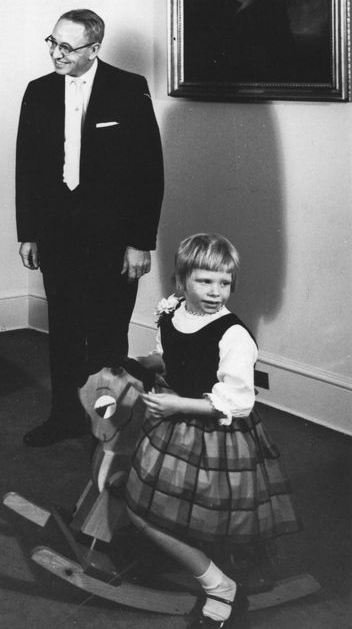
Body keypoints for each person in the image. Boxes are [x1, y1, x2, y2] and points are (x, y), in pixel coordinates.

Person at [122, 234, 300, 627]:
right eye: (205, 281)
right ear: (181, 280)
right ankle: (181, 548)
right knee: (158, 504)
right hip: (174, 424)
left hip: (214, 432)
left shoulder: (233, 335)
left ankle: (221, 587)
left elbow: (237, 402)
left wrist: (176, 405)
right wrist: (146, 363)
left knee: (184, 510)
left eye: (225, 283)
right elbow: (168, 357)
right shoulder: (171, 311)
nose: (216, 292)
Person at [15, 8, 163, 447]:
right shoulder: (38, 91)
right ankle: (63, 416)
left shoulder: (128, 88)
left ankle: (108, 427)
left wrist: (140, 242)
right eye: (53, 43)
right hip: (57, 236)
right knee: (63, 331)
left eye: (67, 47)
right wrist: (29, 232)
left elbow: (149, 171)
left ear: (94, 48)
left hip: (113, 240)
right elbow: (27, 167)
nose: (56, 54)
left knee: (108, 335)